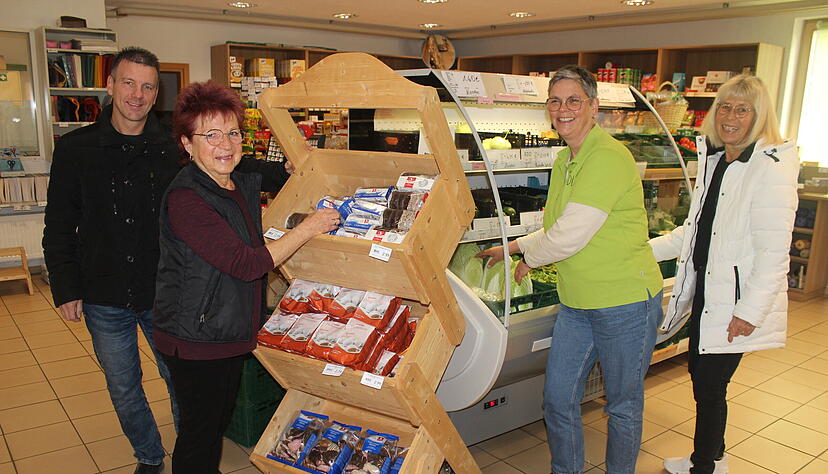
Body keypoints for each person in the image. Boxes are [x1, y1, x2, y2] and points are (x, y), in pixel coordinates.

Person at [42, 48, 292, 474]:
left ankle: (190, 452)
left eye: (148, 86)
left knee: (184, 387)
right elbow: (59, 225)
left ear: (157, 94)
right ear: (110, 86)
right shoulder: (76, 148)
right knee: (124, 387)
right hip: (104, 291)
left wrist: (286, 170)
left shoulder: (172, 142)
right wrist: (66, 288)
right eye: (128, 83)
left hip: (168, 291)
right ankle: (150, 456)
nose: (137, 94)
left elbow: (228, 158)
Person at [477, 65, 663, 474]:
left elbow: (567, 236)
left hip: (625, 303)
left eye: (574, 100)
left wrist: (523, 253)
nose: (563, 109)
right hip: (577, 302)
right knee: (558, 399)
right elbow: (554, 226)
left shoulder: (609, 157)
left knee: (622, 406)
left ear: (594, 107)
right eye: (555, 101)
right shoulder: (564, 159)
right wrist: (520, 251)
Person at [153, 81, 340, 474]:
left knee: (213, 426)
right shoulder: (187, 198)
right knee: (200, 433)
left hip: (225, 327)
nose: (226, 144)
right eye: (211, 135)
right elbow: (247, 264)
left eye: (233, 133)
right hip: (196, 336)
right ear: (187, 144)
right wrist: (307, 228)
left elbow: (259, 171)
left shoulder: (230, 179)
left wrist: (288, 166)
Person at [652, 75, 798, 474]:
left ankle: (705, 466)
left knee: (711, 386)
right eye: (726, 107)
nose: (731, 117)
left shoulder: (770, 167)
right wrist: (645, 250)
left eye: (743, 109)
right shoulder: (719, 161)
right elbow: (697, 230)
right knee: (702, 377)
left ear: (759, 116)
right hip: (708, 291)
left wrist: (748, 312)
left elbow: (773, 253)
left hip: (734, 298)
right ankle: (713, 457)